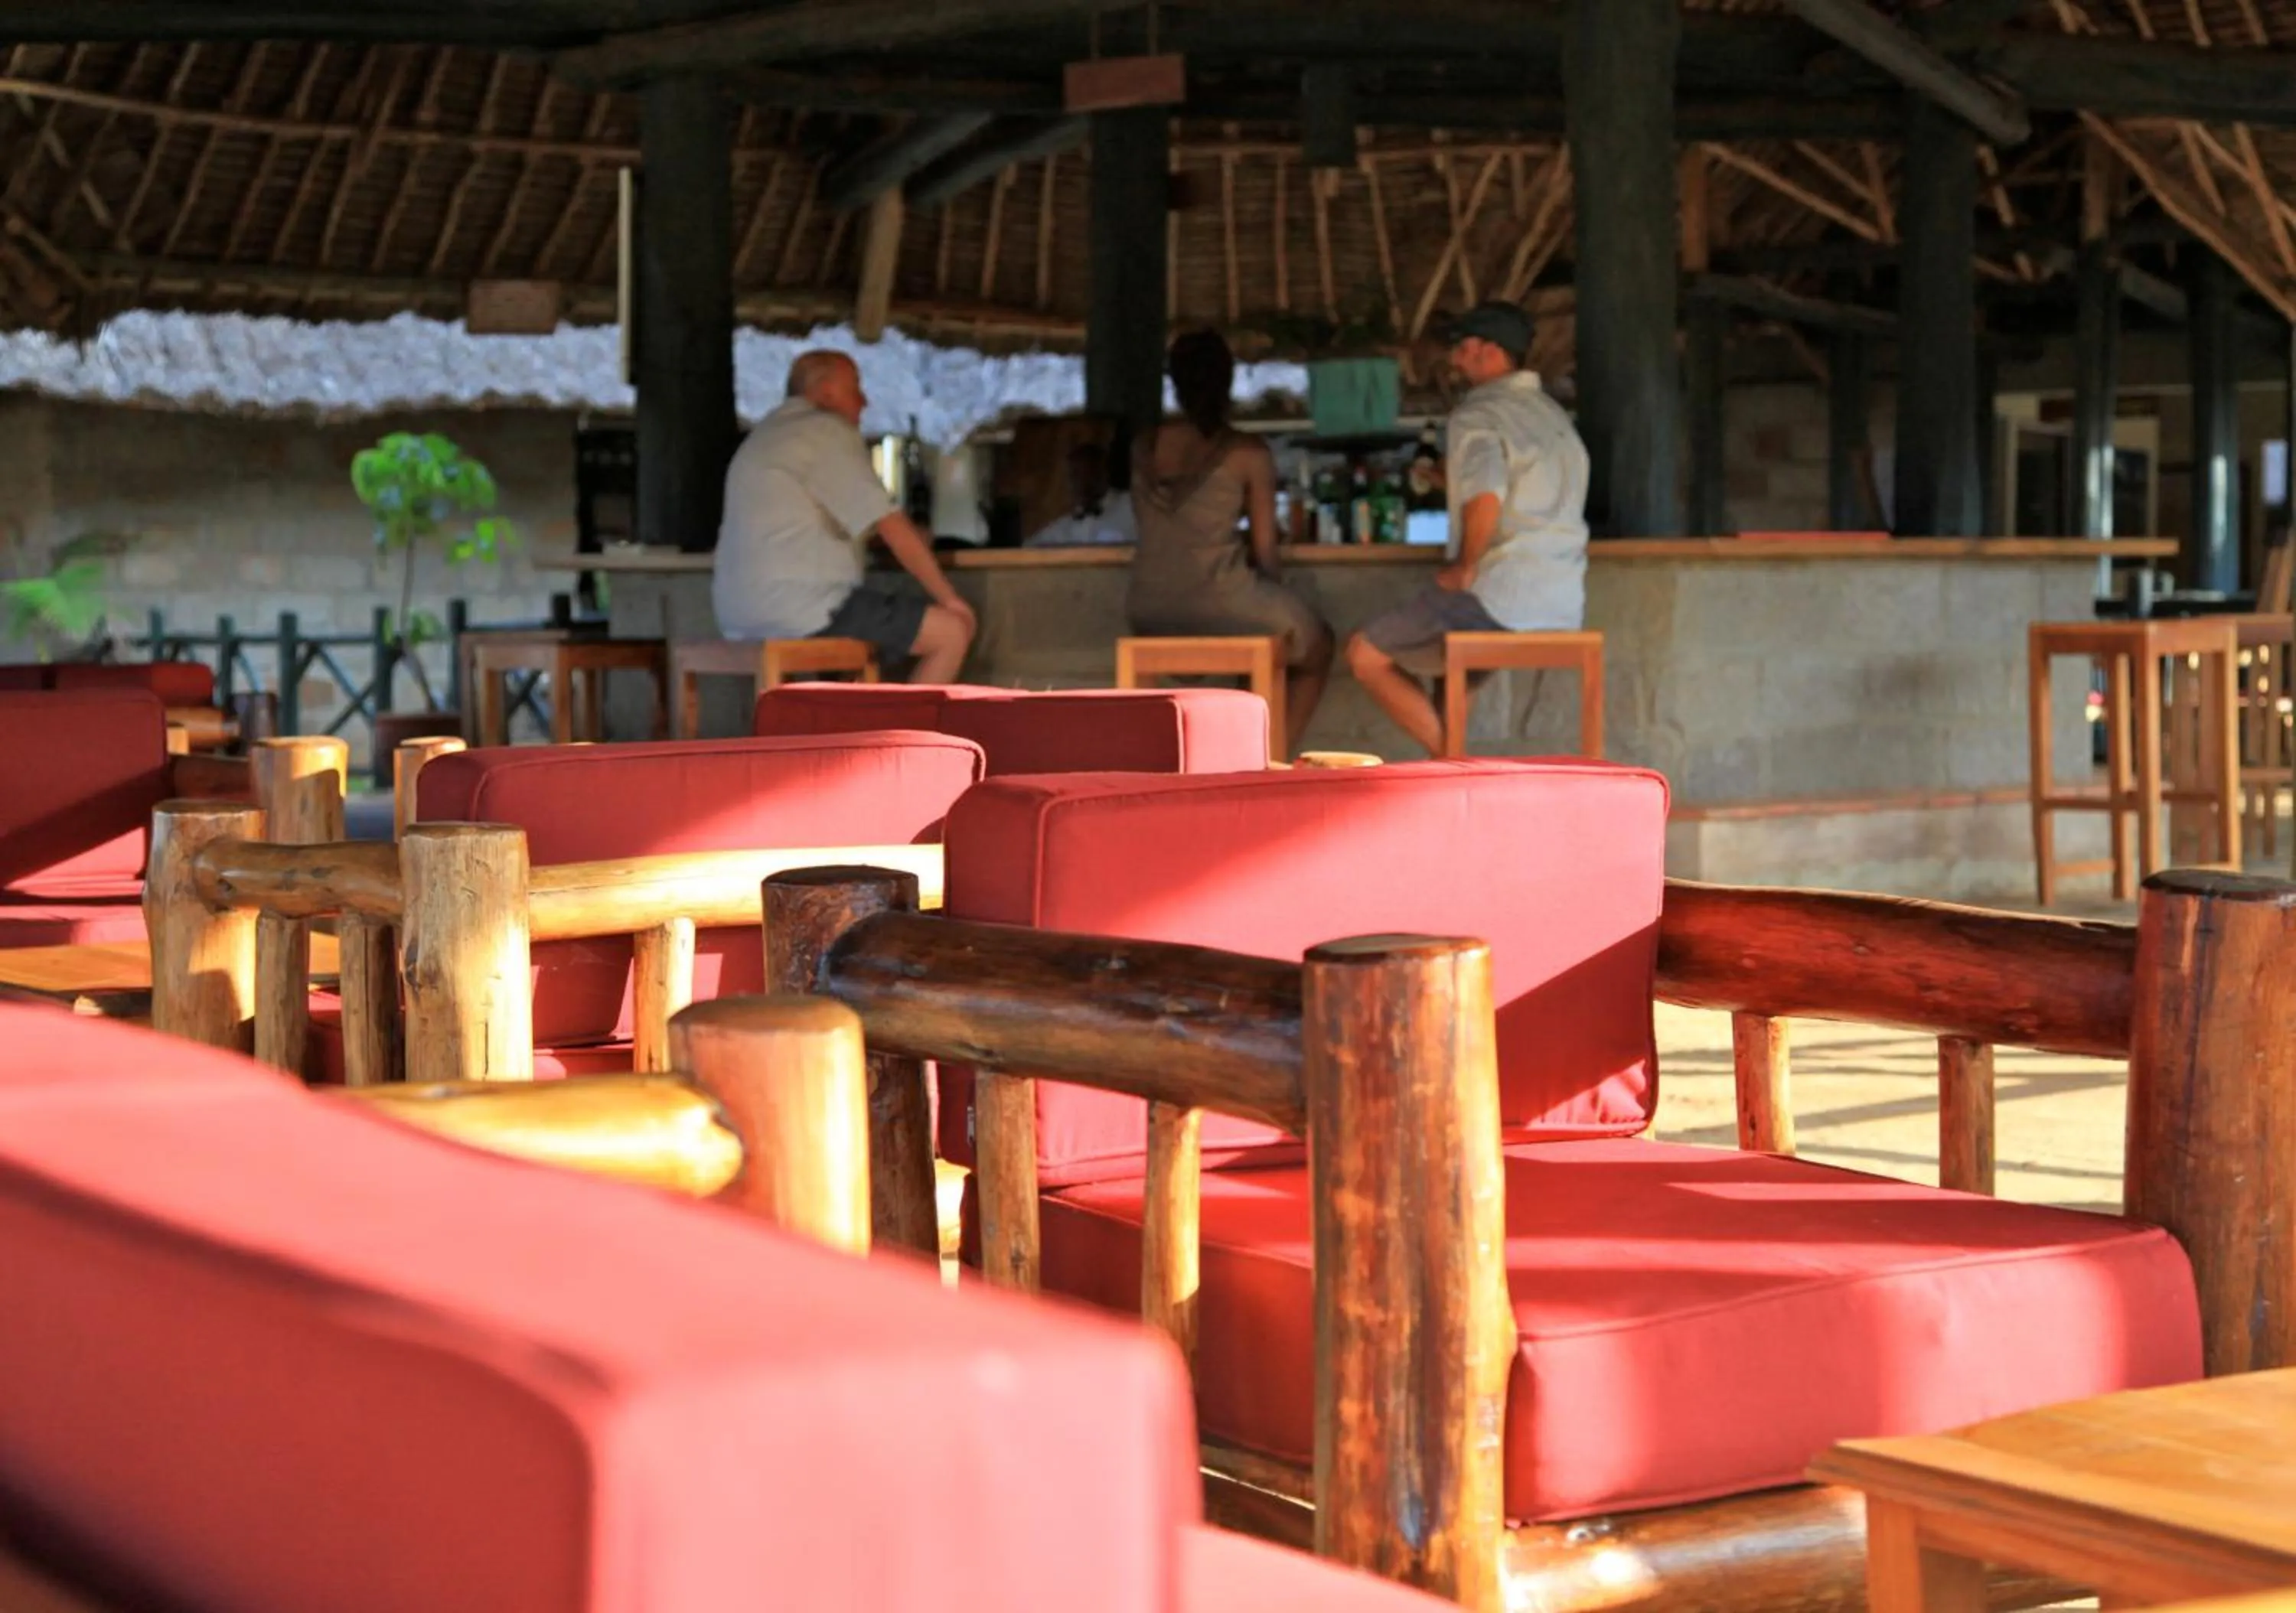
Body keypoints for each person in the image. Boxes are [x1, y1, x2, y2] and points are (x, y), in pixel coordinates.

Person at [1343, 301, 1589, 754]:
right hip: (1561, 603)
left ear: (1490, 352)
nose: (1454, 358)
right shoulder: (1554, 419)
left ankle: (1454, 763)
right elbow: (1518, 489)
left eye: (1464, 347)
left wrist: (1465, 565)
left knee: (1364, 653)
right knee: (1459, 664)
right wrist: (1444, 480)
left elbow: (1487, 494)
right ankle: (1452, 765)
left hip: (1499, 601)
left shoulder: (1479, 415)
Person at [712, 350, 976, 683]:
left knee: (867, 625)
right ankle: (904, 736)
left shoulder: (764, 435)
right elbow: (889, 523)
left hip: (739, 616)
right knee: (951, 632)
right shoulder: (825, 429)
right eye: (855, 389)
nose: (864, 402)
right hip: (801, 609)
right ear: (825, 391)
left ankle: (854, 727)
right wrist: (950, 598)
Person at [1127, 331, 1332, 754]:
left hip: (1147, 608)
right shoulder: (1247, 452)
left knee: (1258, 635)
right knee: (1317, 642)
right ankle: (1271, 763)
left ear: (1175, 383)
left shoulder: (1142, 446)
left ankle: (1240, 757)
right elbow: (1266, 552)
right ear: (1228, 382)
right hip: (1221, 599)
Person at [1024, 442, 1137, 548]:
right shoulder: (1064, 527)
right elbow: (1028, 549)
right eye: (1075, 475)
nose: (1081, 482)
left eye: (1089, 473)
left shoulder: (1132, 508)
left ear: (1104, 472)